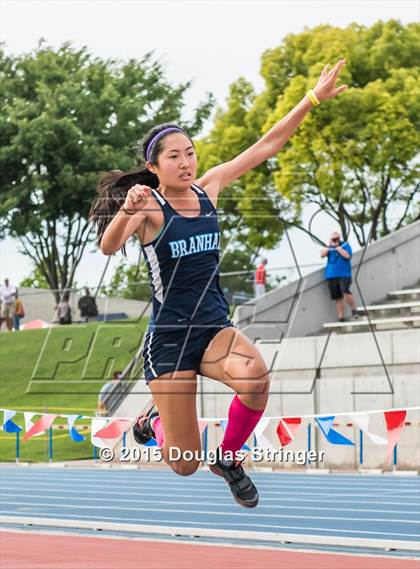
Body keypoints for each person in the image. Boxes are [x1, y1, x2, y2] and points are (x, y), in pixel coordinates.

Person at [89, 59, 347, 508]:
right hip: (169, 341)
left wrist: (311, 99)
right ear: (154, 167)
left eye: (189, 152)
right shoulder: (149, 206)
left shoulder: (211, 188)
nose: (186, 162)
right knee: (184, 461)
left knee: (256, 380)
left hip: (212, 327)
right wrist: (128, 209)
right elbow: (109, 247)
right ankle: (153, 422)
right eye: (174, 156)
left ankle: (228, 459)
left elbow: (266, 145)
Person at [321, 231, 358, 322]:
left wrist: (338, 247)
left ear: (340, 238)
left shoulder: (345, 245)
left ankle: (354, 309)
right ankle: (341, 317)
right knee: (337, 297)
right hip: (331, 275)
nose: (335, 240)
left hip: (344, 274)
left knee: (345, 290)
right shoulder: (329, 248)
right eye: (333, 239)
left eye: (337, 238)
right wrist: (330, 246)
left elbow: (348, 256)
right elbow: (322, 254)